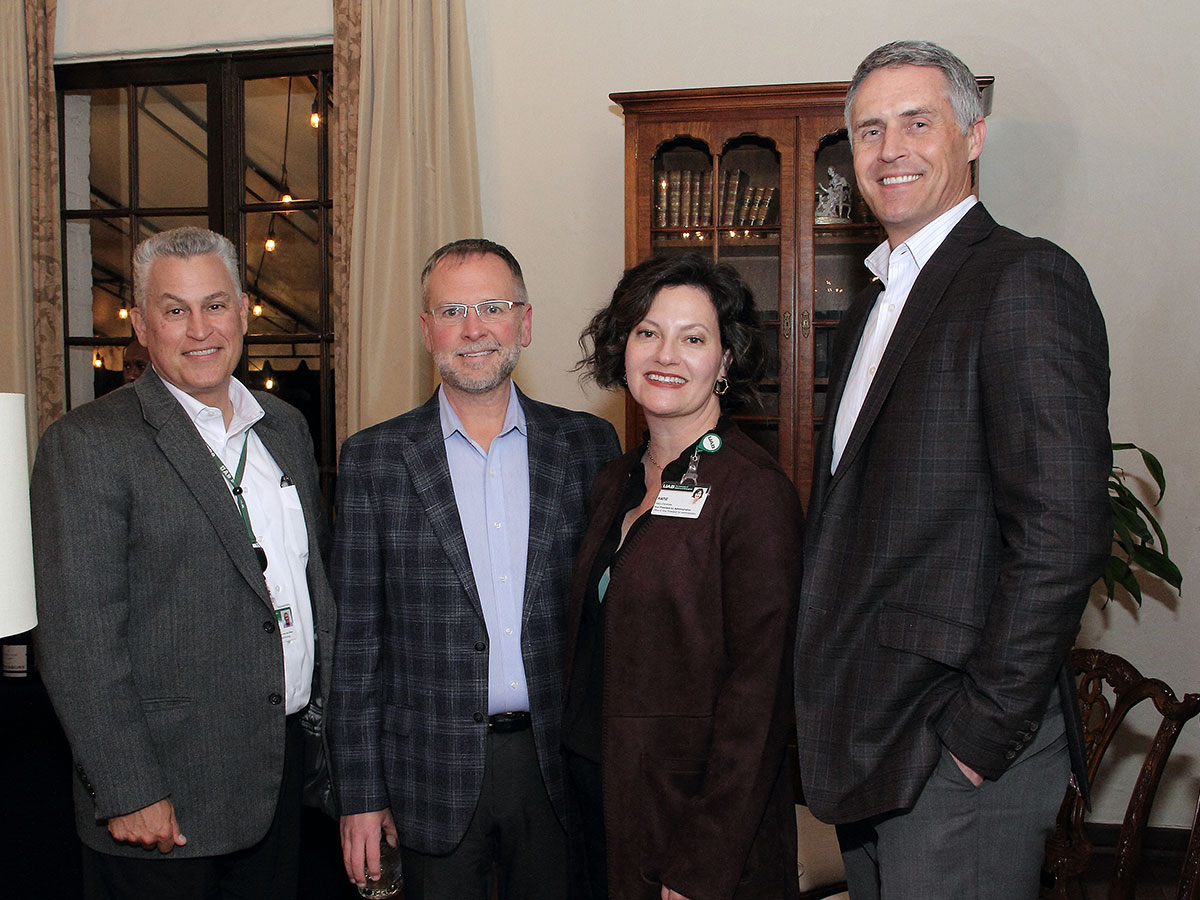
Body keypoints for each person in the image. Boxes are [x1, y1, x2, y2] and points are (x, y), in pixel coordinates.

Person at [792, 40, 1112, 900]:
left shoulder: (1023, 278)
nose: (889, 149)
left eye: (916, 123)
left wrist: (979, 736)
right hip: (870, 739)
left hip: (955, 755)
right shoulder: (871, 305)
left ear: (972, 136)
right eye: (868, 131)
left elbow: (1063, 531)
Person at [31, 226, 336, 900]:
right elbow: (79, 643)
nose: (200, 329)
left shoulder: (284, 426)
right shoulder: (87, 445)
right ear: (142, 326)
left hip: (280, 780)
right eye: (175, 310)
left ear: (243, 312)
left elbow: (306, 587)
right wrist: (129, 789)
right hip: (163, 803)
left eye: (215, 305)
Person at [328, 238, 620, 900]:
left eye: (492, 306)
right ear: (426, 328)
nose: (473, 329)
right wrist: (360, 795)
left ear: (525, 321)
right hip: (425, 774)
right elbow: (356, 649)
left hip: (558, 768)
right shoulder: (374, 461)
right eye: (452, 311)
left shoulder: (588, 446)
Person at [567, 253, 803, 900]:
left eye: (693, 338)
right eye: (647, 332)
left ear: (725, 361)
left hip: (692, 832)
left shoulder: (753, 494)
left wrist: (701, 862)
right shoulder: (613, 481)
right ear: (622, 347)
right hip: (597, 809)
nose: (665, 354)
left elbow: (759, 704)